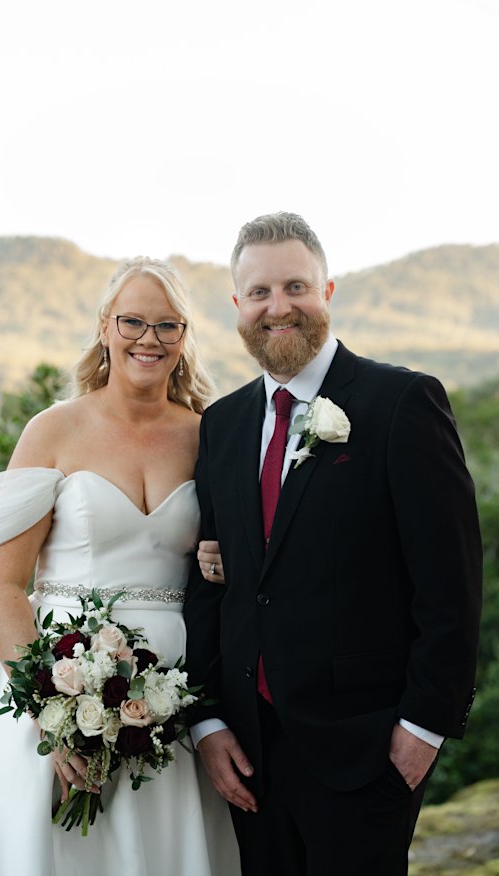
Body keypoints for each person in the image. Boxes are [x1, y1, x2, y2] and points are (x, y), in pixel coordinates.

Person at [184, 212, 483, 876]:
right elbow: (211, 583)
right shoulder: (222, 424)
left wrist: (422, 731)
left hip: (366, 752)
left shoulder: (401, 403)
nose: (278, 306)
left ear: (328, 292)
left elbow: (452, 587)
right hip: (247, 755)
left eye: (296, 286)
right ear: (238, 306)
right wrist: (205, 722)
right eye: (259, 292)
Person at [0, 256, 241, 876]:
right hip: (57, 677)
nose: (149, 339)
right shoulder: (52, 431)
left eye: (168, 325)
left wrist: (226, 562)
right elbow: (3, 583)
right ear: (104, 326)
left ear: (185, 337)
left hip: (176, 691)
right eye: (133, 321)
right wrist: (50, 714)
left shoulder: (210, 436)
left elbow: (235, 558)